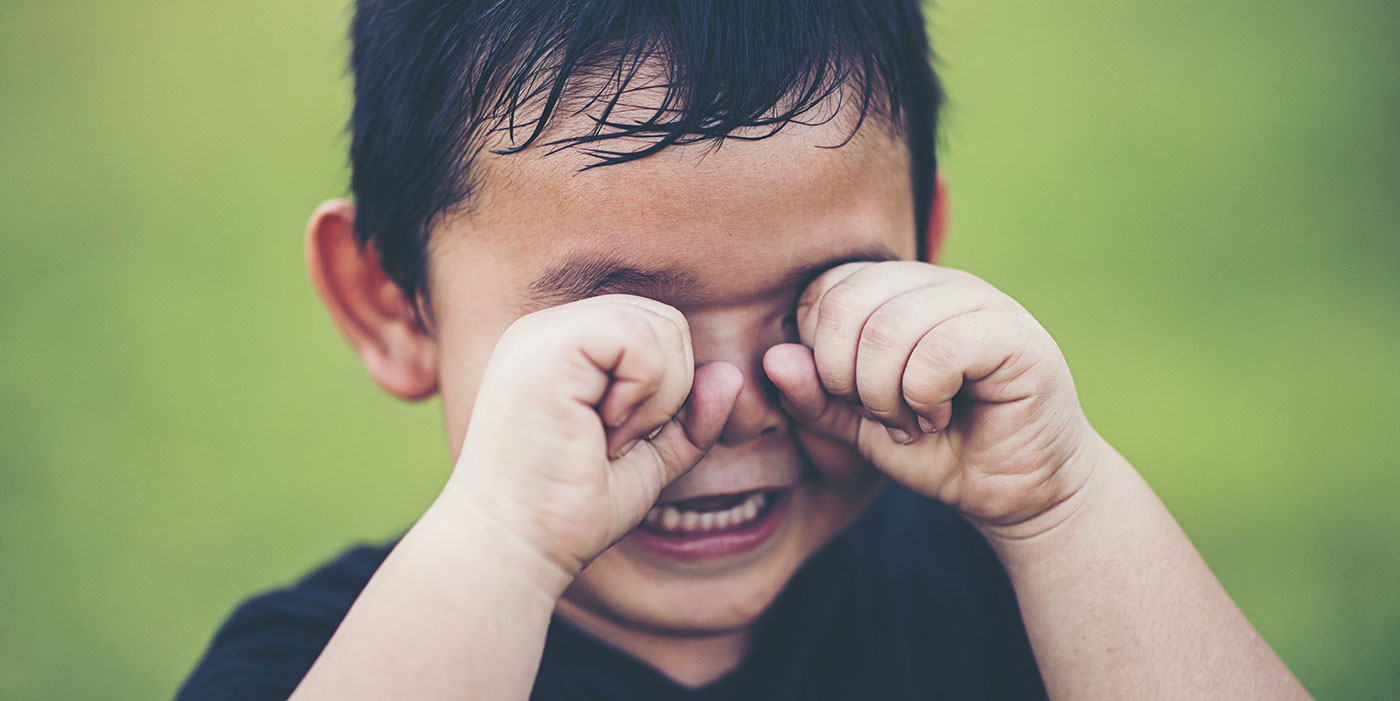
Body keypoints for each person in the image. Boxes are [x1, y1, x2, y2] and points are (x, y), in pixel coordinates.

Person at [178, 1, 1307, 698]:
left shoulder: (1032, 591)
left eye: (819, 295)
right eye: (618, 326)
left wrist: (1066, 507)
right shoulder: (314, 662)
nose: (724, 402)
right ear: (390, 301)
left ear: (924, 254)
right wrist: (500, 543)